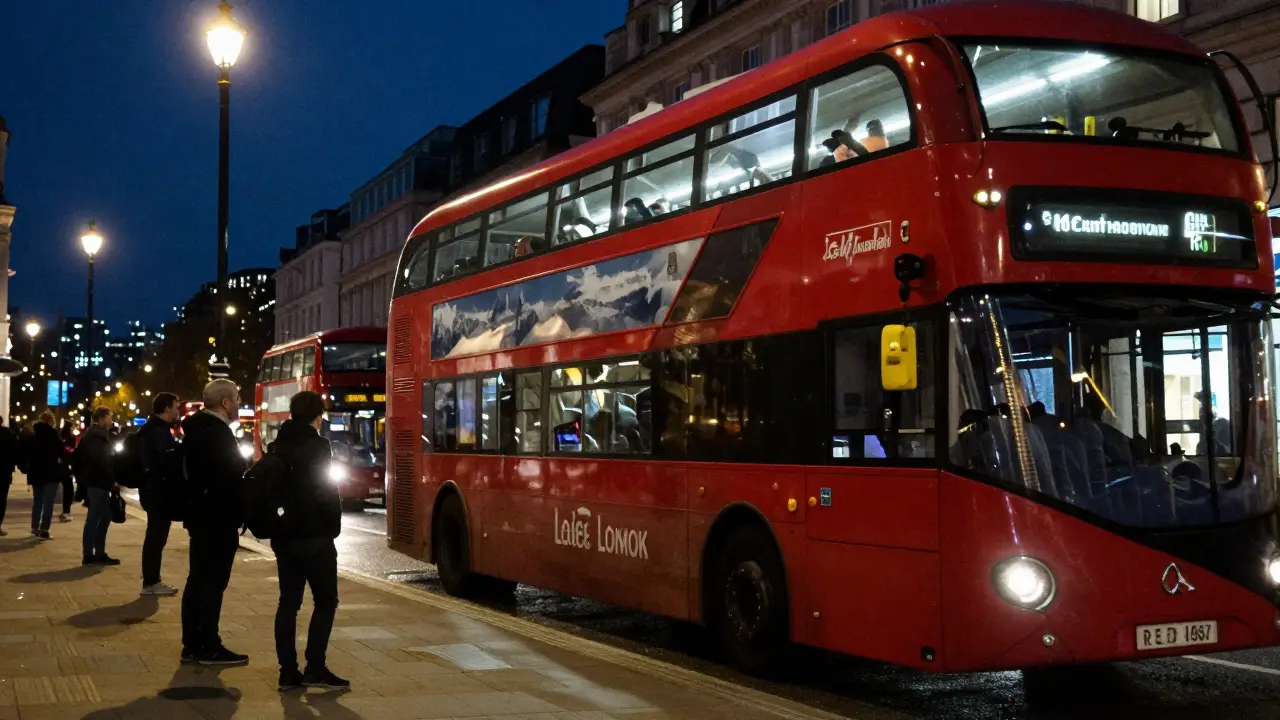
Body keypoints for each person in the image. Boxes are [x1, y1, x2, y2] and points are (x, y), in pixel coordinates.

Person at [270, 391, 348, 691]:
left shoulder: (278, 445)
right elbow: (325, 491)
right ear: (317, 416)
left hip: (283, 535)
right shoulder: (318, 446)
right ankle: (315, 667)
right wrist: (333, 527)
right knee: (326, 601)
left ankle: (287, 672)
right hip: (314, 535)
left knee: (288, 602)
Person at [181, 379, 250, 666]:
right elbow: (228, 475)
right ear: (225, 402)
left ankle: (192, 644)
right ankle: (209, 645)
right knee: (212, 582)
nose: (238, 403)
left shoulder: (196, 429)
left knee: (197, 580)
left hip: (200, 515)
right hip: (217, 518)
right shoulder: (217, 433)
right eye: (235, 399)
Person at [138, 392, 181, 596]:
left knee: (155, 537)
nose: (177, 411)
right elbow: (163, 460)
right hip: (158, 491)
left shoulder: (153, 428)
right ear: (166, 409)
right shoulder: (158, 430)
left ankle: (151, 580)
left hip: (152, 489)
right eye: (175, 407)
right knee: (156, 537)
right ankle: (151, 582)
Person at [76, 407, 120, 565]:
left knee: (104, 517)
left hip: (98, 481)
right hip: (97, 482)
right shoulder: (96, 436)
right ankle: (89, 554)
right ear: (102, 418)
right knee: (95, 518)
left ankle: (98, 552)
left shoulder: (96, 435)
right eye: (110, 417)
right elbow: (101, 460)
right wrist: (112, 480)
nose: (111, 420)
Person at [22, 411, 69, 539]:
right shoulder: (54, 436)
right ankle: (44, 529)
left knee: (37, 501)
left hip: (36, 474)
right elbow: (62, 452)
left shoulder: (33, 436)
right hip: (51, 473)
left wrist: (26, 469)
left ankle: (35, 526)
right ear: (51, 421)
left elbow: (25, 454)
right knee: (48, 502)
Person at [0, 418, 16, 536]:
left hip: (4, 471)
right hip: (4, 472)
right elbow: (16, 452)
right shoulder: (9, 435)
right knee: (1, 500)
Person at [58, 422, 76, 520]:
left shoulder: (60, 436)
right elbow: (71, 450)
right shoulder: (71, 437)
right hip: (67, 466)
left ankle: (65, 511)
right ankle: (66, 512)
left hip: (59, 465)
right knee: (68, 490)